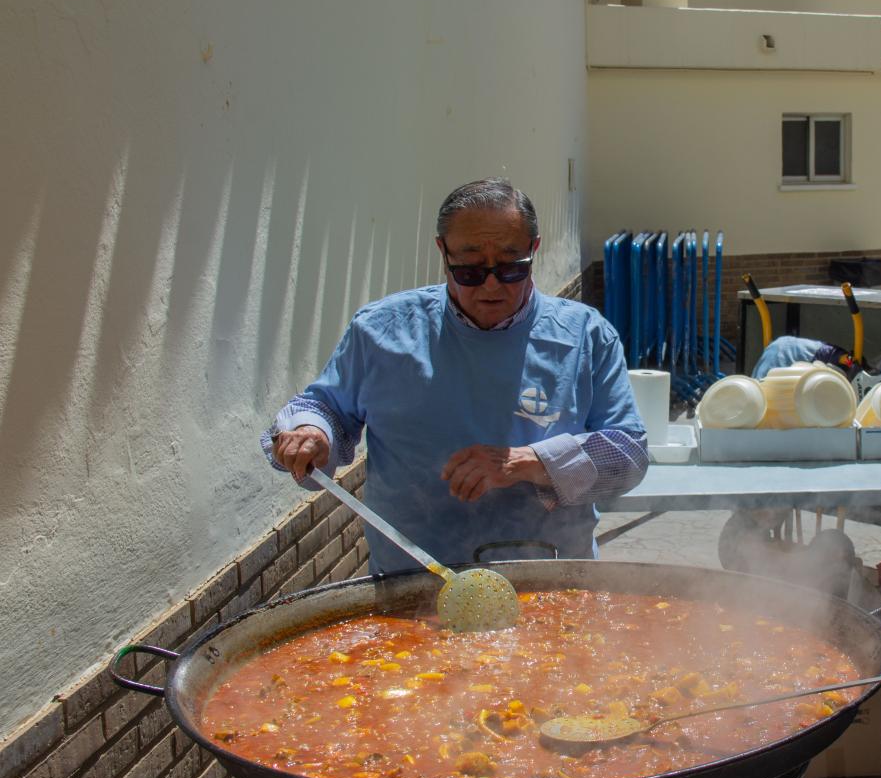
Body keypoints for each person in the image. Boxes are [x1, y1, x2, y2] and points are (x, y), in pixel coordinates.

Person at [262, 177, 648, 572]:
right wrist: (311, 432)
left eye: (511, 267)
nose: (491, 285)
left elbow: (629, 454)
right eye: (470, 270)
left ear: (534, 250)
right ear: (443, 252)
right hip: (414, 582)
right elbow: (324, 407)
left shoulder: (584, 336)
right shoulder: (381, 331)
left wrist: (528, 461)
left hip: (551, 579)